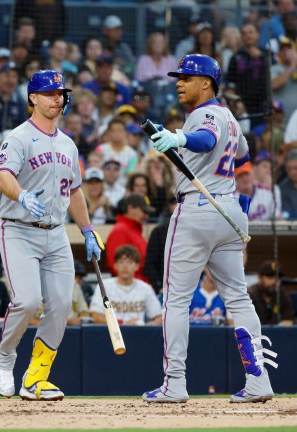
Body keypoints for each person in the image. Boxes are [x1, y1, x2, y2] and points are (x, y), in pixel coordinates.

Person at [142, 54, 278, 404]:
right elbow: (243, 156)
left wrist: (180, 140)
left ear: (207, 83)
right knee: (238, 297)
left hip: (198, 212)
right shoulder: (230, 118)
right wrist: (197, 152)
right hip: (229, 210)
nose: (179, 82)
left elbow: (203, 139)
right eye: (179, 77)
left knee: (175, 299)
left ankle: (175, 383)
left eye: (187, 77)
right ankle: (258, 380)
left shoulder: (204, 114)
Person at [0, 70, 103, 401]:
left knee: (60, 307)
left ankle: (36, 378)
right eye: (50, 93)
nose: (58, 98)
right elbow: (2, 175)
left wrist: (88, 230)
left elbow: (76, 191)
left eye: (61, 93)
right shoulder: (19, 137)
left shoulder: (68, 144)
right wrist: (20, 194)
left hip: (56, 234)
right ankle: (4, 356)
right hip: (18, 229)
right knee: (26, 301)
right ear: (33, 98)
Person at [90, 245, 162, 326]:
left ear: (137, 266)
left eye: (130, 262)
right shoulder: (104, 286)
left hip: (138, 333)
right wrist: (123, 323)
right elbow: (95, 316)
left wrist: (147, 327)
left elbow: (159, 317)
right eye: (121, 262)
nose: (125, 266)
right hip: (112, 334)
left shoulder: (145, 288)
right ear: (115, 266)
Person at [105, 193, 152, 283]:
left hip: (138, 285)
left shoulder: (135, 230)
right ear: (130, 208)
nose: (147, 216)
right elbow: (115, 264)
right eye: (144, 212)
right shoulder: (121, 230)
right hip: (127, 287)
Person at [247, 261, 294, 326]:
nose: (274, 281)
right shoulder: (249, 294)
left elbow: (288, 321)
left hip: (277, 335)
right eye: (270, 277)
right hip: (255, 334)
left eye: (277, 277)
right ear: (260, 277)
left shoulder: (282, 295)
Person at [279, 149, 297, 219]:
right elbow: (286, 214)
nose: (293, 172)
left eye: (296, 168)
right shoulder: (282, 188)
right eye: (289, 169)